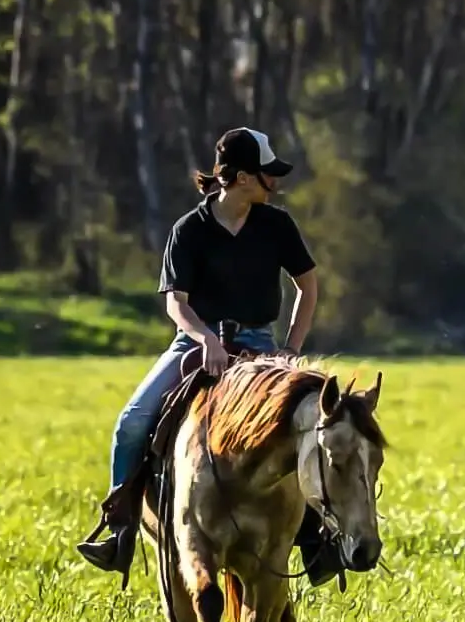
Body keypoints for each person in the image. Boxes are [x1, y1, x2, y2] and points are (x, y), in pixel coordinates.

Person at [76, 128, 320, 573]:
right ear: (244, 178)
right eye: (270, 175)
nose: (276, 183)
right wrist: (206, 339)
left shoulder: (277, 225)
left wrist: (290, 350)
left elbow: (307, 285)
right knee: (131, 423)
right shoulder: (189, 230)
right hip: (194, 343)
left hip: (262, 346)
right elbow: (176, 303)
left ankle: (315, 537)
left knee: (308, 424)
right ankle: (121, 530)